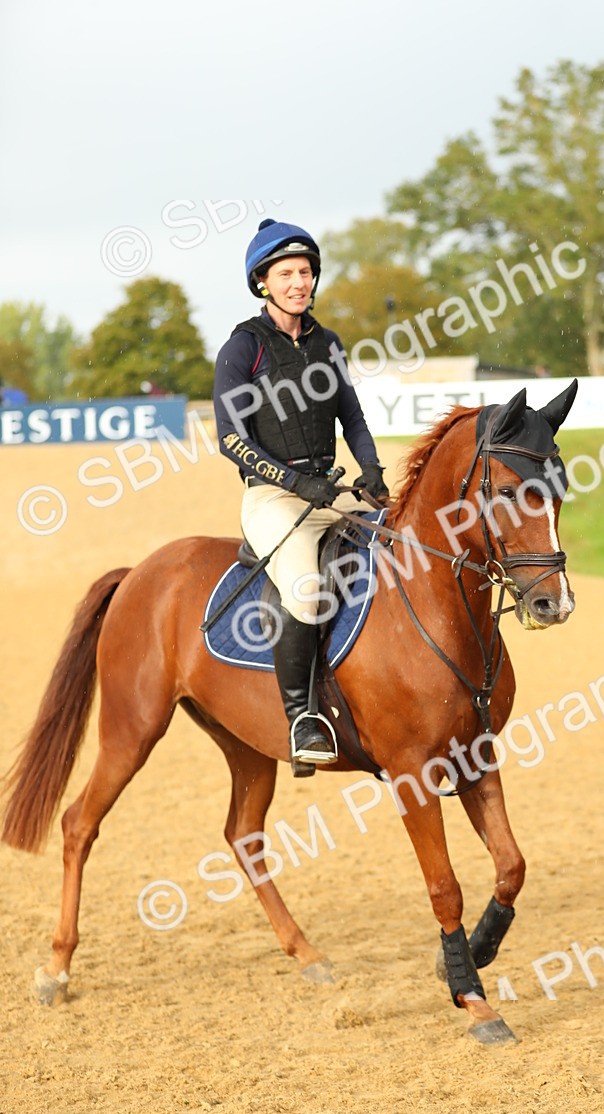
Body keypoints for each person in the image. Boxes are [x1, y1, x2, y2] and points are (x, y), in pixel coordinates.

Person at [213, 218, 389, 771]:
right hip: (274, 499)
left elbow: (352, 417)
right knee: (308, 591)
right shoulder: (243, 347)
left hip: (330, 492)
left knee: (397, 554)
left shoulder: (327, 343)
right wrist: (293, 483)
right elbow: (228, 437)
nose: (299, 282)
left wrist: (372, 471)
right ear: (263, 281)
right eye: (286, 273)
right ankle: (303, 719)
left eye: (306, 272)